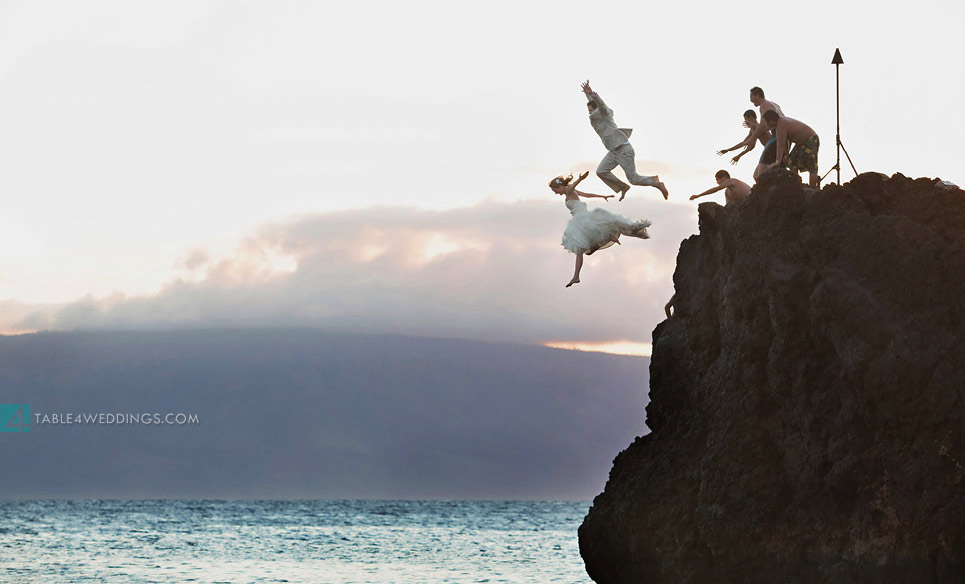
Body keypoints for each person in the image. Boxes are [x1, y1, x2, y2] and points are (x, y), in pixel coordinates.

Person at [549, 171, 652, 287]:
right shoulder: (573, 192)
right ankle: (608, 237)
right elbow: (587, 195)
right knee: (585, 249)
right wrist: (602, 196)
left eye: (555, 190)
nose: (556, 193)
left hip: (581, 219)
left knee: (580, 250)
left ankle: (576, 276)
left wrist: (580, 179)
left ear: (560, 186)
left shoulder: (569, 191)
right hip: (582, 218)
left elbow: (571, 187)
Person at [581, 80, 669, 201]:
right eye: (589, 111)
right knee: (601, 171)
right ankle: (623, 187)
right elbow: (593, 103)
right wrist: (588, 94)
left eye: (591, 111)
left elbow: (600, 105)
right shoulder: (597, 114)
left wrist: (593, 94)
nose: (589, 114)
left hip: (623, 150)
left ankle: (657, 183)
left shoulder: (605, 113)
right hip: (613, 151)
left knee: (634, 179)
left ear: (596, 110)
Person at [726, 87, 785, 182]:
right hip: (780, 138)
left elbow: (762, 127)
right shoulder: (772, 104)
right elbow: (745, 142)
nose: (750, 100)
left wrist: (752, 138)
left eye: (751, 97)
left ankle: (767, 192)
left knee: (759, 175)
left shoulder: (764, 106)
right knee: (763, 173)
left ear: (757, 95)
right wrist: (729, 150)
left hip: (776, 140)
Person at [762, 110, 820, 187]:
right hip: (800, 142)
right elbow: (785, 140)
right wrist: (786, 154)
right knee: (791, 162)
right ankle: (796, 185)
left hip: (810, 139)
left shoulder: (781, 124)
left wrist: (777, 162)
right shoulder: (780, 124)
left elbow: (780, 145)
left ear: (772, 120)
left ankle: (813, 188)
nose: (766, 124)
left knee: (811, 165)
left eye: (766, 121)